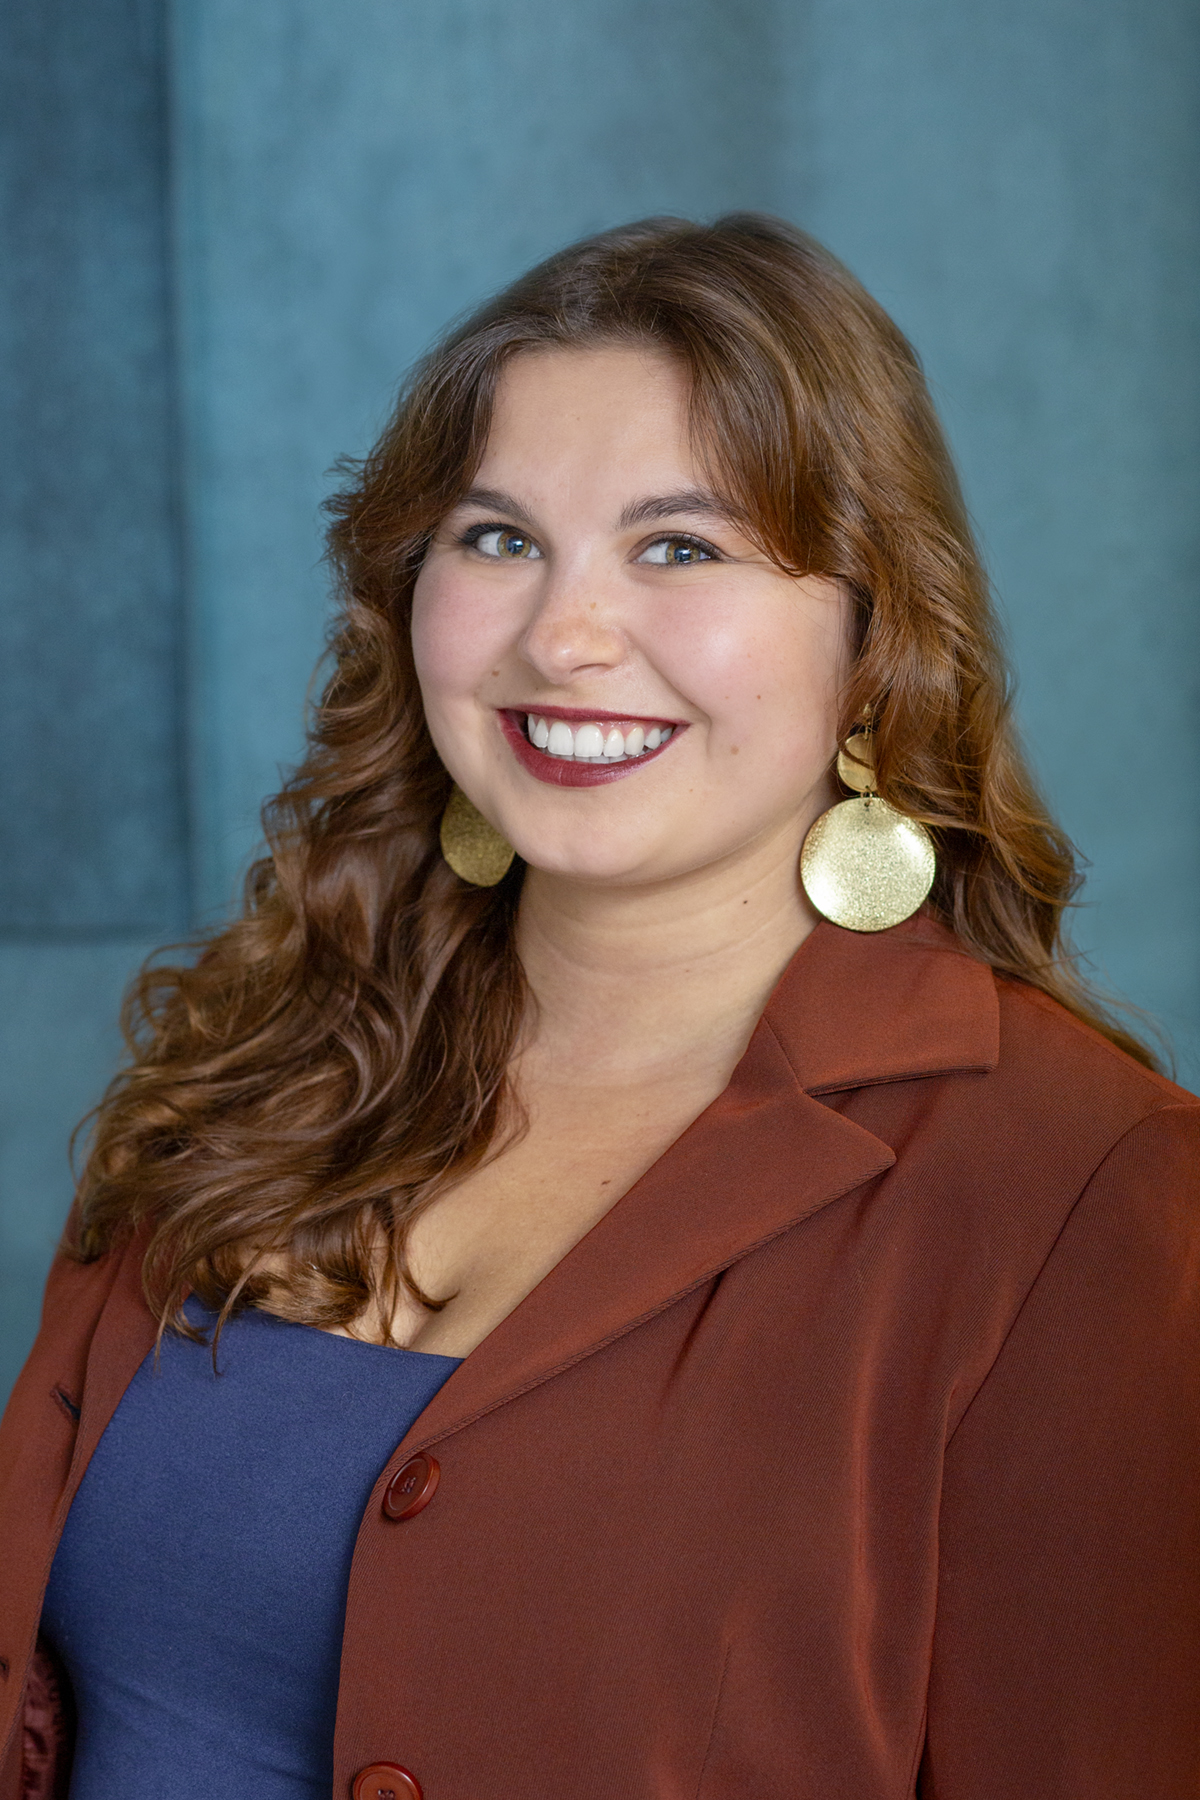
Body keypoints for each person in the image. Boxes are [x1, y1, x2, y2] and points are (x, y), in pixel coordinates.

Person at [0, 214, 1196, 1800]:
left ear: (874, 642)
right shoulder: (251, 1062)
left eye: (680, 546)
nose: (562, 638)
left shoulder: (1081, 1188)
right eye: (497, 538)